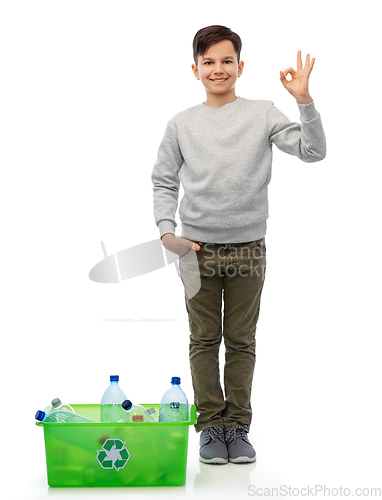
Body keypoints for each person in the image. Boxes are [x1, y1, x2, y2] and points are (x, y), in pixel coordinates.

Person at [151, 25, 326, 464]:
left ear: (240, 66)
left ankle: (238, 428)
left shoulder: (263, 113)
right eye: (208, 62)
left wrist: (303, 100)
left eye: (226, 60)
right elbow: (163, 180)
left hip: (249, 247)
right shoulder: (182, 124)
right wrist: (166, 231)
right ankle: (211, 427)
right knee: (205, 339)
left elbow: (313, 151)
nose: (218, 69)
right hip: (195, 252)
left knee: (242, 341)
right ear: (195, 70)